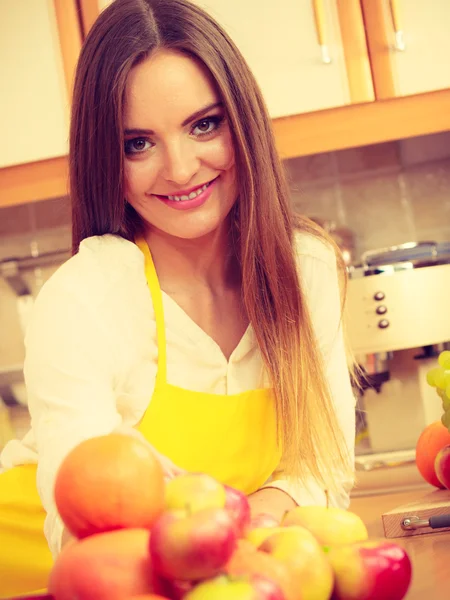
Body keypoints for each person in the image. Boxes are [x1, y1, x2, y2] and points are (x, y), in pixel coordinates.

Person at [0, 0, 356, 595]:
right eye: (138, 143)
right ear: (105, 158)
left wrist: (253, 520)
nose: (181, 168)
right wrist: (243, 531)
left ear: (242, 120)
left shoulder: (306, 270)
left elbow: (321, 468)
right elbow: (83, 532)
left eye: (204, 124)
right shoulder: (84, 301)